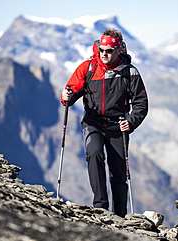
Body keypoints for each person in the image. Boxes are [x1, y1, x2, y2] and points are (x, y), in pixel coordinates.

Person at [61, 29, 148, 217]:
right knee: (94, 154)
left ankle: (120, 216)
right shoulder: (88, 68)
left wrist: (131, 122)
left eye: (108, 50)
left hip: (118, 126)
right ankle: (100, 208)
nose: (104, 54)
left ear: (118, 50)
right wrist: (66, 96)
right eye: (101, 50)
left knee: (118, 173)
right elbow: (71, 93)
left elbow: (141, 103)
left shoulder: (130, 72)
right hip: (93, 123)